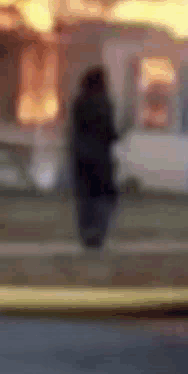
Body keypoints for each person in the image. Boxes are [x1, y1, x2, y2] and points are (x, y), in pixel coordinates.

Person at [70, 66, 120, 249]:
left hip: (81, 160)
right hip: (100, 161)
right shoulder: (103, 104)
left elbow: (76, 132)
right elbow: (109, 132)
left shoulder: (79, 102)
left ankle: (87, 234)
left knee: (85, 200)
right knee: (104, 199)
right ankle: (97, 234)